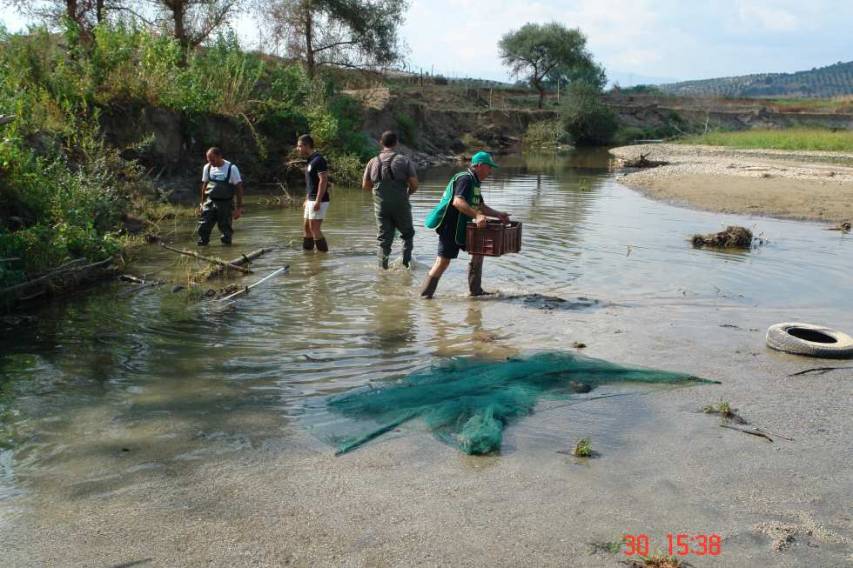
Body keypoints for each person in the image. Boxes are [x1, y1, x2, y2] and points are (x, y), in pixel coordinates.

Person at [421, 151, 510, 298]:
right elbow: (458, 202)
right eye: (489, 167)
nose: (490, 171)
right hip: (449, 226)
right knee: (443, 262)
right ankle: (425, 296)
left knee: (478, 253)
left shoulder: (475, 182)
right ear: (480, 165)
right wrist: (477, 216)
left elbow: (481, 206)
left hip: (463, 227)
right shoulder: (465, 179)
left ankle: (476, 292)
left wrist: (499, 215)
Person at [362, 130, 419, 269]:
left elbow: (365, 186)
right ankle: (406, 266)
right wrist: (407, 194)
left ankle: (382, 269)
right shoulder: (404, 160)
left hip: (381, 206)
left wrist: (380, 195)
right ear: (396, 143)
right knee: (407, 234)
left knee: (383, 239)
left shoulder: (372, 162)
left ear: (381, 143)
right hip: (401, 204)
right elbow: (414, 185)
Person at [198, 147, 244, 246]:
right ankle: (202, 249)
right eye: (208, 160)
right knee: (203, 226)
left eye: (213, 159)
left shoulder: (232, 168)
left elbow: (239, 189)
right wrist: (202, 203)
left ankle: (227, 254)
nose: (211, 162)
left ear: (219, 156)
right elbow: (205, 186)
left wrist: (238, 208)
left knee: (226, 230)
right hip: (210, 202)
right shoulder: (207, 167)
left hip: (226, 204)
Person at [296, 134, 330, 252]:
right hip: (311, 198)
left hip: (319, 199)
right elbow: (311, 183)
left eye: (300, 146)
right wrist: (307, 198)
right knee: (306, 227)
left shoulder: (319, 159)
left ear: (307, 145)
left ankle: (323, 256)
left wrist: (318, 201)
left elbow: (323, 180)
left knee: (314, 228)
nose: (298, 148)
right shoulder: (310, 160)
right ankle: (308, 256)